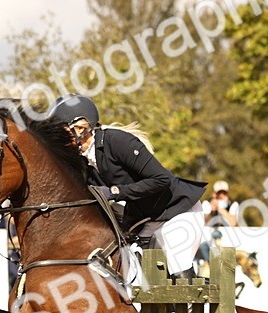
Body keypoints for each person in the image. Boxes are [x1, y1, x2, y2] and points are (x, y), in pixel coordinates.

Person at [50, 94, 206, 276]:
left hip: (178, 211)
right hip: (146, 223)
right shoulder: (83, 160)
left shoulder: (117, 141)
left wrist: (115, 192)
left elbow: (162, 179)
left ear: (82, 126)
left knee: (176, 270)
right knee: (137, 276)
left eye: (64, 132)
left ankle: (191, 303)